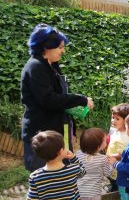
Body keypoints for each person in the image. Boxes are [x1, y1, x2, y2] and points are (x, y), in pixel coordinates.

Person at [21, 23, 94, 173]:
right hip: (42, 134)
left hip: (58, 128)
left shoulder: (51, 65)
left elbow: (61, 98)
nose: (63, 51)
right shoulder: (36, 67)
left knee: (61, 172)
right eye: (60, 47)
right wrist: (81, 99)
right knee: (45, 176)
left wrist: (71, 131)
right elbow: (49, 100)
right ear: (46, 47)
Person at [76, 128, 113, 200]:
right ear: (97, 146)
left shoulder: (78, 154)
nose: (106, 141)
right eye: (104, 140)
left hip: (79, 193)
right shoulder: (102, 159)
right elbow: (108, 173)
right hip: (94, 194)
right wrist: (111, 164)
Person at [106, 103, 129, 200]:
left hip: (122, 168)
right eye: (113, 117)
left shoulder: (128, 136)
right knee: (123, 189)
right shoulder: (115, 131)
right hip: (116, 166)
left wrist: (112, 156)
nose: (113, 120)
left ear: (126, 120)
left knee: (123, 190)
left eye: (117, 119)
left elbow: (125, 153)